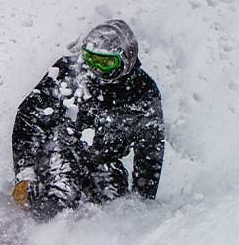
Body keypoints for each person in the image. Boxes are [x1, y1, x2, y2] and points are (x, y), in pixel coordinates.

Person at [11, 19, 164, 220]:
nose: (97, 70)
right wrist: (25, 173)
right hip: (59, 150)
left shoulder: (144, 93)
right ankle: (35, 239)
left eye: (107, 62)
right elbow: (29, 118)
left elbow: (150, 152)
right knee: (59, 199)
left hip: (104, 162)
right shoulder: (68, 72)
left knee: (116, 209)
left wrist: (143, 202)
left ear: (126, 59)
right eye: (91, 59)